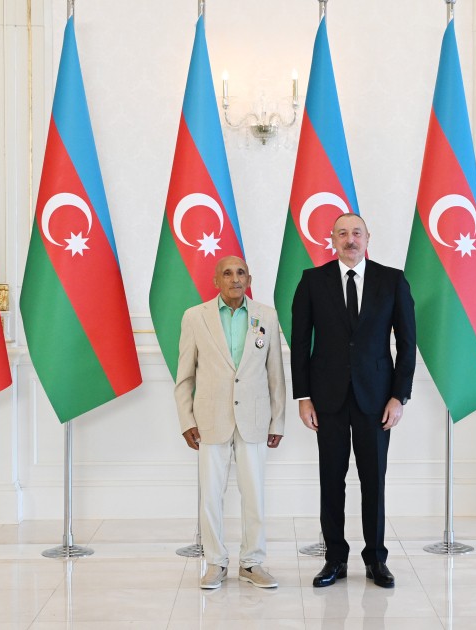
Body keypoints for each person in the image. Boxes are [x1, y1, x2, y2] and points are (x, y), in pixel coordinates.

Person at [291, 214, 416, 589]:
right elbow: (300, 344)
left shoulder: (392, 280)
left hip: (376, 399)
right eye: (342, 233)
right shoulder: (312, 281)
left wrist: (399, 395)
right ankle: (334, 559)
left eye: (356, 233)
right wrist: (303, 396)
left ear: (368, 238)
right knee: (331, 480)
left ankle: (376, 559)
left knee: (373, 480)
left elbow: (407, 343)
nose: (350, 239)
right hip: (326, 399)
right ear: (332, 240)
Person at [174, 256, 286, 589]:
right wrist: (186, 419)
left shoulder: (266, 316)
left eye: (240, 273)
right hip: (210, 419)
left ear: (248, 278)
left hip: (253, 419)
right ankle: (215, 562)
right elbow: (185, 375)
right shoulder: (195, 317)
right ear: (216, 280)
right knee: (210, 495)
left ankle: (252, 562)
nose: (234, 279)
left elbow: (276, 375)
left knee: (254, 494)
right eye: (227, 273)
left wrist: (277, 421)